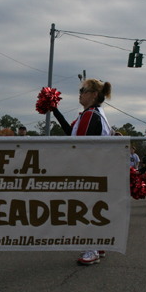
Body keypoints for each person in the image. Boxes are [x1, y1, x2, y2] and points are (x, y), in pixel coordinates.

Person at [51, 78, 112, 265]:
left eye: (84, 90)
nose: (80, 93)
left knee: (84, 209)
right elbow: (72, 133)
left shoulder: (91, 115)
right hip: (97, 169)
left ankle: (90, 250)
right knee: (93, 207)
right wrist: (55, 110)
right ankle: (98, 244)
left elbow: (79, 145)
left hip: (89, 170)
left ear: (94, 95)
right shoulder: (93, 113)